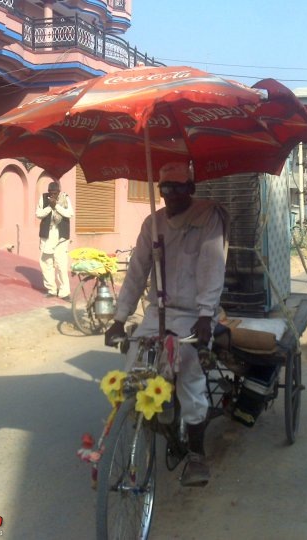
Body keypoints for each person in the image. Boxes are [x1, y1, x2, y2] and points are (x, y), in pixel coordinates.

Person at [104, 162, 228, 488]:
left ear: (191, 188)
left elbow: (212, 268)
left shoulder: (208, 219)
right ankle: (140, 429)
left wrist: (205, 315)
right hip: (157, 313)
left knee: (189, 374)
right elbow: (136, 271)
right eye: (165, 189)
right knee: (133, 370)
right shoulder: (152, 223)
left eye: (177, 187)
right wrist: (119, 318)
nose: (171, 195)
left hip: (194, 314)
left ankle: (197, 455)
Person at [36, 180, 73, 300]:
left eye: (55, 193)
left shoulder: (65, 198)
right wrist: (49, 207)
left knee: (61, 264)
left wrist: (56, 206)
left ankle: (64, 292)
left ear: (59, 192)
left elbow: (69, 214)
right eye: (50, 192)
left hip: (61, 236)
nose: (53, 195)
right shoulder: (43, 198)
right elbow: (38, 214)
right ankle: (51, 289)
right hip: (47, 235)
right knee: (46, 264)